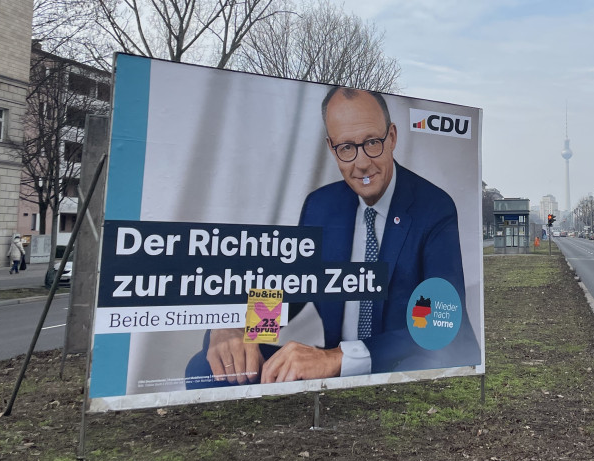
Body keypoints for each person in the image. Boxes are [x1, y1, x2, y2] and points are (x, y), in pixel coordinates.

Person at [188, 86, 478, 387]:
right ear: (331, 147)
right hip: (337, 375)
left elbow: (441, 324)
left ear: (392, 137)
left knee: (421, 366)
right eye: (347, 148)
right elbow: (292, 291)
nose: (362, 162)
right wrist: (238, 327)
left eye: (372, 143)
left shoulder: (434, 207)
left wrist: (336, 359)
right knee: (211, 367)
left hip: (402, 363)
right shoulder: (321, 207)